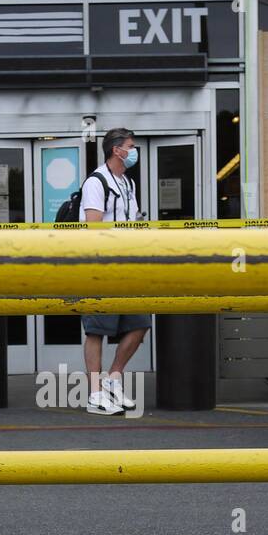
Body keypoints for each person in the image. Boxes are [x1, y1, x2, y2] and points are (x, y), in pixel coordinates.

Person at [79, 128, 149, 416]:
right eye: (131, 146)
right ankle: (95, 394)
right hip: (102, 265)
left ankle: (113, 378)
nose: (134, 152)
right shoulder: (96, 182)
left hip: (128, 265)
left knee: (140, 323)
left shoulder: (127, 182)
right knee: (97, 330)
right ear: (116, 150)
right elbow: (93, 226)